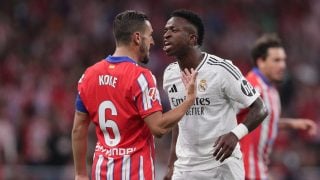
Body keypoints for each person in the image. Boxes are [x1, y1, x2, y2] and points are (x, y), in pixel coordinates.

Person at [71, 10, 198, 180]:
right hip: (134, 174)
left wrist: (80, 173)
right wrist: (189, 100)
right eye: (150, 35)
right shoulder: (140, 77)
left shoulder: (89, 76)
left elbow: (78, 129)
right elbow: (159, 127)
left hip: (101, 173)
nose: (153, 41)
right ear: (138, 38)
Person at [162, 9, 268, 180]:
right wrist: (171, 165)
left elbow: (260, 108)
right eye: (165, 30)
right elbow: (178, 122)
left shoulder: (221, 70)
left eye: (174, 30)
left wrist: (235, 134)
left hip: (222, 164)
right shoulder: (170, 74)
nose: (166, 35)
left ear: (192, 38)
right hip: (185, 168)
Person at [237, 33, 317, 180]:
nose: (282, 65)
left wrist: (292, 123)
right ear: (261, 61)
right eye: (276, 60)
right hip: (243, 171)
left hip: (259, 169)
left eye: (283, 60)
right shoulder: (251, 86)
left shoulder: (272, 91)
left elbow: (259, 122)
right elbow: (225, 118)